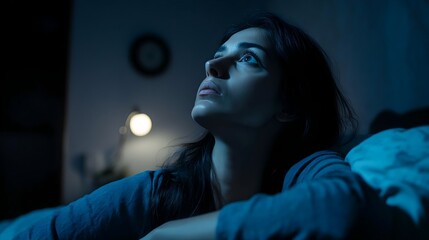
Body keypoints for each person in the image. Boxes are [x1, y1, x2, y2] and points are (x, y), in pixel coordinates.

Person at [14, 12, 401, 239]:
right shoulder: (156, 193)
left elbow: (340, 207)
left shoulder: (307, 170)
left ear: (288, 105)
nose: (212, 66)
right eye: (218, 55)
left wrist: (167, 236)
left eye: (249, 59)